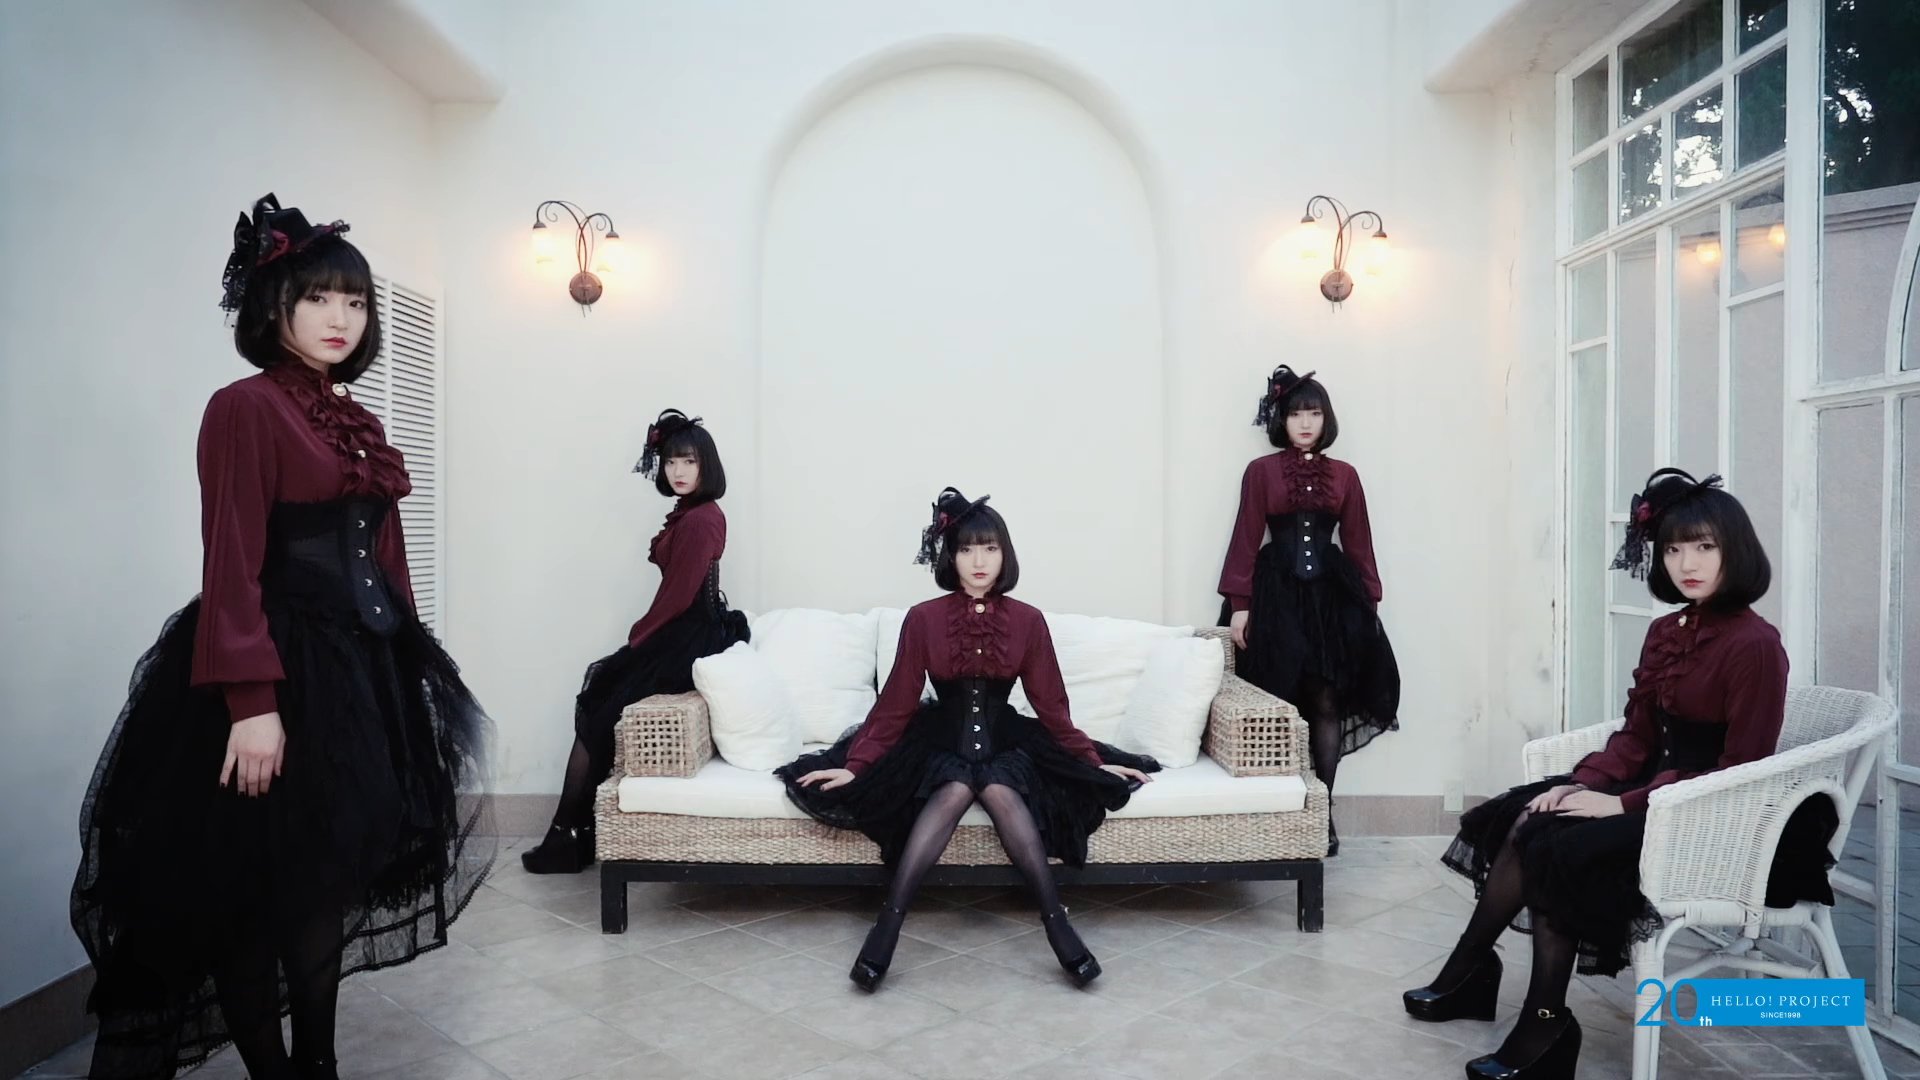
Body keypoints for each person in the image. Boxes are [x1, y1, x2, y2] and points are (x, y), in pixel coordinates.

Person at [71, 194, 493, 1080]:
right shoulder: (245, 408)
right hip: (274, 669)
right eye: (318, 299)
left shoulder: (357, 420)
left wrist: (408, 665)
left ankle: (318, 1067)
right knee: (246, 897)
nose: (342, 318)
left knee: (320, 883)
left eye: (356, 301)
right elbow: (231, 560)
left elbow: (385, 557)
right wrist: (251, 704)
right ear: (276, 307)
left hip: (360, 671)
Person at [777, 487, 1157, 990]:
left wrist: (1089, 761)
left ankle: (1058, 925)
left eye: (990, 548)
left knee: (999, 787)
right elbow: (895, 704)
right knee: (955, 786)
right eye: (967, 549)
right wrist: (857, 765)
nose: (979, 561)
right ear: (950, 557)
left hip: (1006, 741)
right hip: (939, 742)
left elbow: (1052, 706)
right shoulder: (923, 618)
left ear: (1005, 554)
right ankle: (887, 927)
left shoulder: (1028, 621)